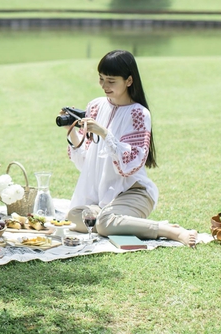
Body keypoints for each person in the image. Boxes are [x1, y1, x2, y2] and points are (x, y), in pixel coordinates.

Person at [63, 50, 197, 247]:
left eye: (111, 81)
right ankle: (108, 216)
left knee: (104, 224)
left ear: (128, 81)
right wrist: (71, 131)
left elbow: (129, 165)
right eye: (101, 79)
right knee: (74, 217)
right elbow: (86, 162)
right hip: (104, 197)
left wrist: (105, 134)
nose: (104, 86)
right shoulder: (96, 106)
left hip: (134, 192)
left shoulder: (139, 114)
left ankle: (170, 231)